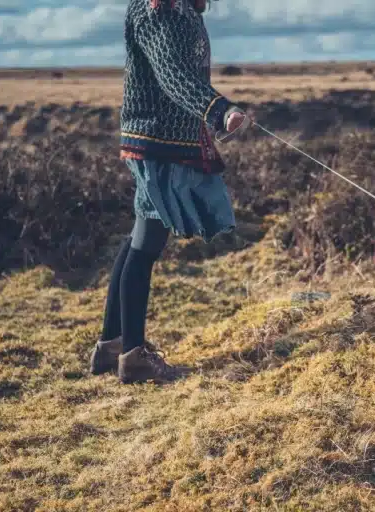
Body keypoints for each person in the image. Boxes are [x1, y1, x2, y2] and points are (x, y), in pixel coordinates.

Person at [90, 0, 251, 384]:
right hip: (155, 141)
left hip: (168, 141)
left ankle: (110, 347)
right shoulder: (155, 9)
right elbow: (172, 74)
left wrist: (213, 113)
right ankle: (134, 356)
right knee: (145, 246)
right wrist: (218, 109)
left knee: (138, 241)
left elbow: (184, 73)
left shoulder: (184, 10)